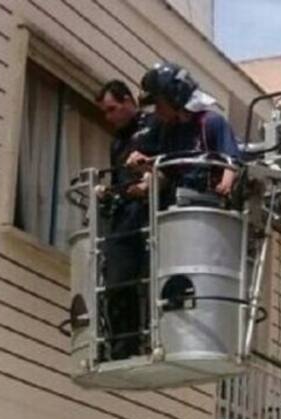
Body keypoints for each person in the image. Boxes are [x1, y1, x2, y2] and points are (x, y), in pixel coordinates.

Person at [95, 79, 157, 359]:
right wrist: (107, 192)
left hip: (148, 210)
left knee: (147, 279)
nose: (109, 117)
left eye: (112, 109)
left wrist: (147, 182)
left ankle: (147, 338)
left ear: (128, 101)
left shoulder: (154, 125)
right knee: (117, 280)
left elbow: (166, 165)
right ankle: (122, 345)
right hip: (124, 214)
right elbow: (119, 180)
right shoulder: (117, 142)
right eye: (105, 112)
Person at [131, 62, 240, 208]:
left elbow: (232, 162)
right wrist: (145, 170)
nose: (156, 111)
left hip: (211, 207)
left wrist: (225, 185)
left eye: (158, 104)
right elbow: (168, 175)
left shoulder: (210, 122)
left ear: (174, 97)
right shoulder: (169, 131)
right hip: (179, 207)